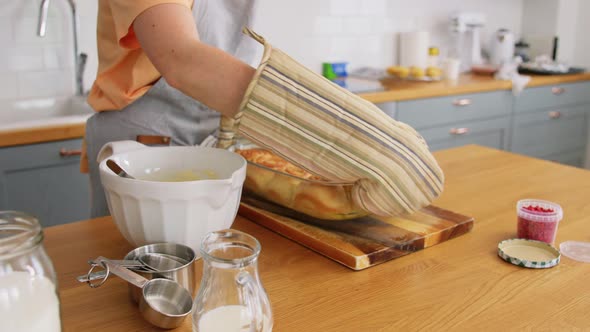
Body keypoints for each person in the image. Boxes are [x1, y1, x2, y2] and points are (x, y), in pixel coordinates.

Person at [85, 0, 444, 219]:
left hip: (217, 142)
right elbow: (183, 61)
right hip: (146, 148)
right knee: (138, 291)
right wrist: (366, 141)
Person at [84, 0, 260, 218]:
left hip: (219, 142)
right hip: (143, 145)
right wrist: (297, 109)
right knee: (131, 250)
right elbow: (180, 57)